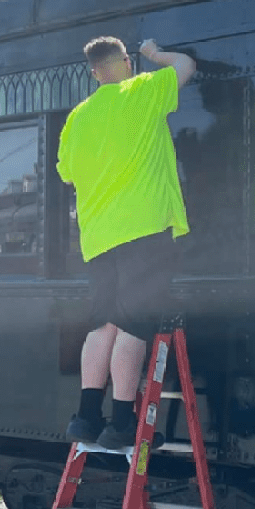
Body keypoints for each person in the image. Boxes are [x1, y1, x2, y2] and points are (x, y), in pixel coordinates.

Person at [58, 36, 196, 450]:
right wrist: (155, 54)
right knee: (133, 326)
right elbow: (185, 65)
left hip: (98, 238)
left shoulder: (77, 117)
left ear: (93, 72)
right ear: (125, 63)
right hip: (144, 228)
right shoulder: (144, 90)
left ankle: (86, 417)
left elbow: (67, 173)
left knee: (102, 325)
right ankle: (121, 422)